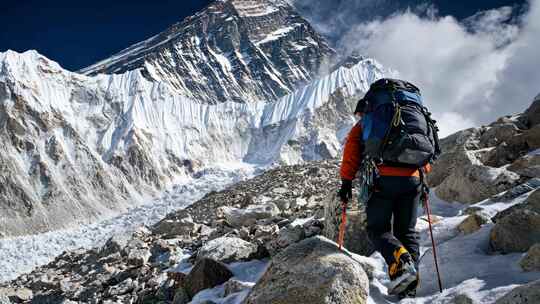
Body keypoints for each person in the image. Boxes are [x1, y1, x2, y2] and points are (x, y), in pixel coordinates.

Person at [338, 104, 431, 298]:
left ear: (365, 109)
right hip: (414, 179)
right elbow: (424, 149)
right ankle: (409, 288)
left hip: (383, 178)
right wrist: (422, 179)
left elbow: (352, 150)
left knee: (377, 228)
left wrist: (346, 181)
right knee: (407, 231)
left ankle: (402, 262)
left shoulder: (368, 121)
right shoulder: (414, 119)